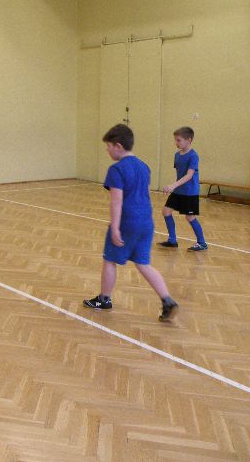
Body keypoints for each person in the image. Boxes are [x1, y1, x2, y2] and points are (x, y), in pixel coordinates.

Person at [83, 124, 178, 322]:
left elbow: (116, 201)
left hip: (127, 222)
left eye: (109, 146)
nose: (107, 150)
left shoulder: (116, 169)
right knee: (143, 264)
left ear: (118, 146)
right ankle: (167, 300)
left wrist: (115, 227)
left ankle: (104, 299)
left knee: (110, 259)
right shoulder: (144, 166)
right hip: (146, 222)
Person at [157, 127, 207, 251]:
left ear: (188, 140)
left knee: (190, 217)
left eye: (178, 140)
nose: (176, 143)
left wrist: (173, 185)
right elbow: (180, 174)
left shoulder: (193, 156)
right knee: (166, 211)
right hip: (179, 191)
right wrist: (175, 187)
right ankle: (172, 240)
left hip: (190, 192)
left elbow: (189, 175)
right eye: (175, 140)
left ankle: (202, 243)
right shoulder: (177, 155)